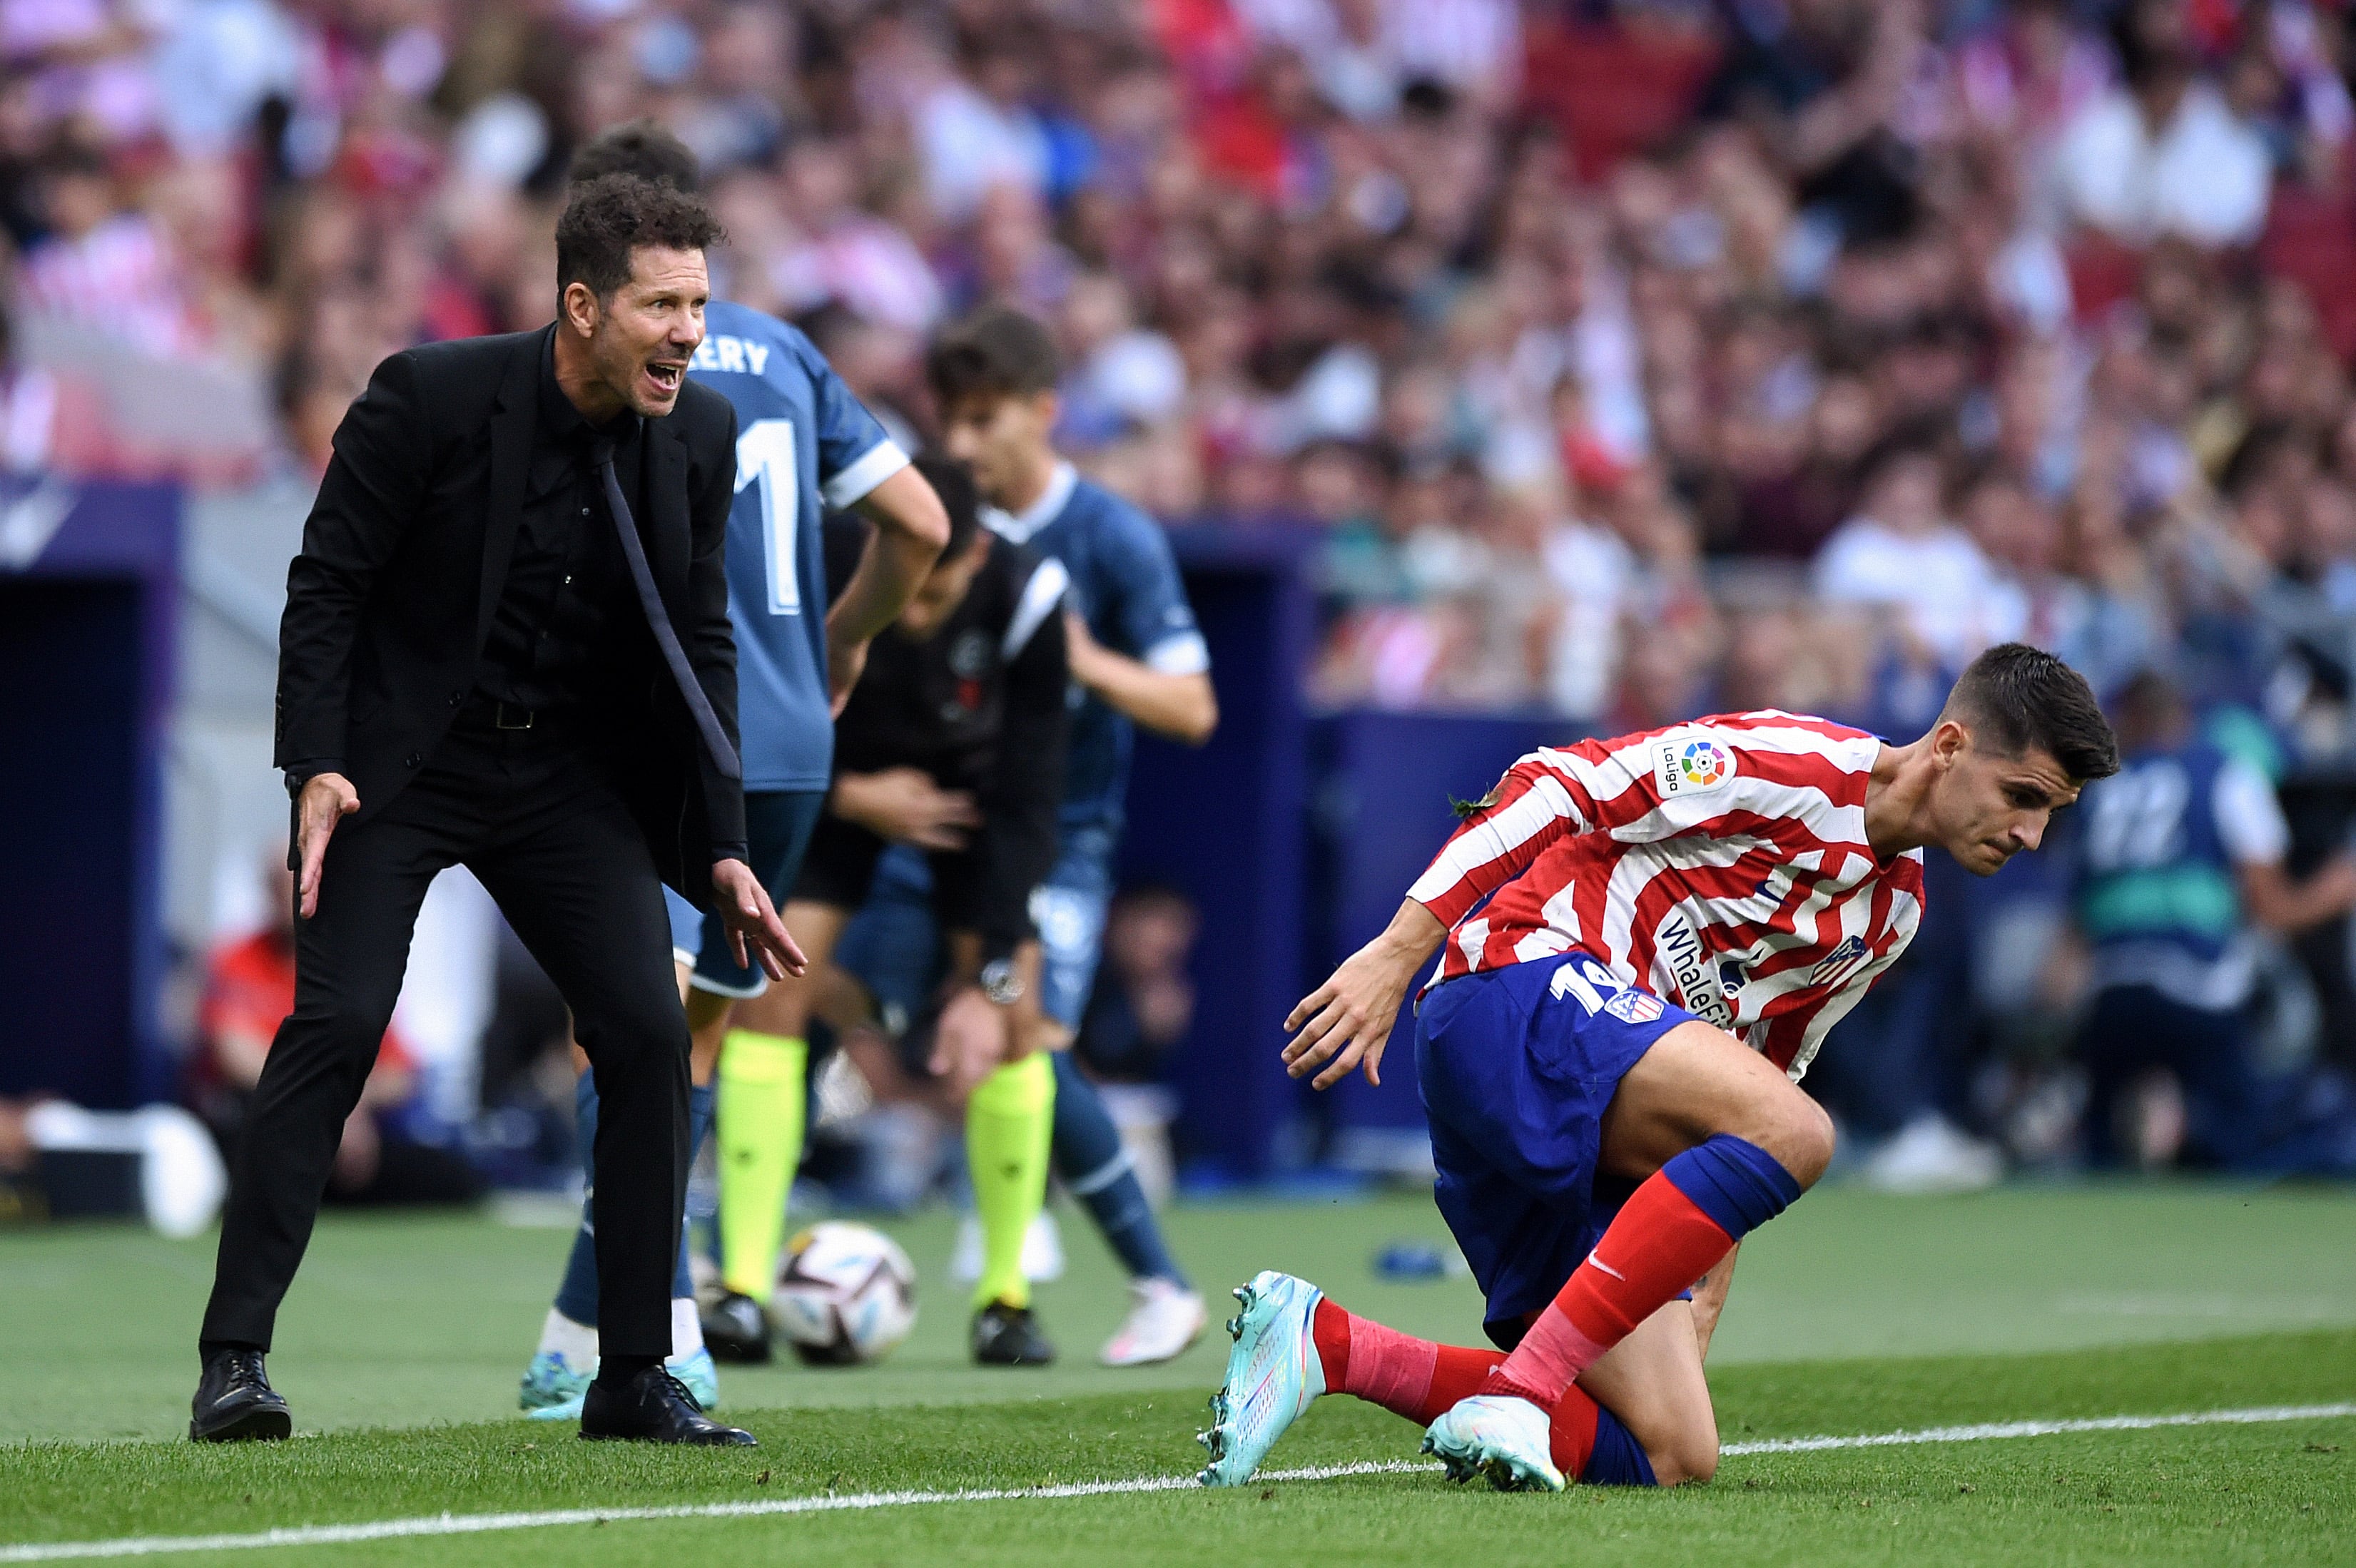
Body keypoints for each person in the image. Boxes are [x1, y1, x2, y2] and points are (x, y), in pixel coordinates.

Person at [1199, 643, 2118, 1491]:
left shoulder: (1888, 919)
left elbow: (1759, 1076)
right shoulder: (1787, 764)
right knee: (1800, 1133)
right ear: (1950, 744)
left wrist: (1696, 1292)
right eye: (2023, 796)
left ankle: (1326, 1345)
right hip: (1515, 980)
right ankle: (1523, 1386)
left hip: (1594, 1098)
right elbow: (1555, 781)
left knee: (1671, 1447)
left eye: (2050, 814)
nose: (2030, 835)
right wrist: (1397, 951)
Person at [191, 172, 801, 1447]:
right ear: (581, 305)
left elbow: (701, 644)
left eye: (699, 300)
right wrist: (316, 764)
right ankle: (234, 1361)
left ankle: (632, 1372)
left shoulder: (700, 433)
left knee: (644, 1029)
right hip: (399, 767)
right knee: (341, 1020)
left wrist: (725, 844)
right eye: (661, 304)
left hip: (567, 779)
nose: (691, 330)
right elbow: (327, 588)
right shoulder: (429, 395)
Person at [514, 123, 948, 1417]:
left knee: (630, 1047)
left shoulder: (610, 356)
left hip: (663, 740)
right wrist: (846, 640)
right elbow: (918, 522)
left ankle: (668, 1325)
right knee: (683, 1048)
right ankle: (571, 1333)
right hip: (791, 743)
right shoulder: (786, 352)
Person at [838, 305, 1218, 1366]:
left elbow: (1193, 709)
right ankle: (722, 1261)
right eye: (946, 421)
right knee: (812, 997)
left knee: (1023, 1036)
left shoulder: (1109, 537)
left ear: (1042, 412)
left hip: (1057, 838)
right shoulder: (926, 523)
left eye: (981, 419)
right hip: (923, 833)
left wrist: (1080, 657)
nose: (959, 445)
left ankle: (1154, 1282)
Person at [750, 454, 1072, 1365]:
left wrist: (992, 974)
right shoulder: (810, 567)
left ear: (971, 557)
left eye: (934, 598)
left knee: (1015, 1012)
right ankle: (738, 1286)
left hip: (975, 805)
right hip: (832, 785)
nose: (913, 618)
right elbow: (750, 725)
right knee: (768, 992)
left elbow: (1029, 799)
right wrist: (852, 794)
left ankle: (1005, 1298)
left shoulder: (1032, 596)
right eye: (902, 593)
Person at [2072, 669, 2356, 1169]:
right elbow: (2273, 910)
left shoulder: (2102, 789)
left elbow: (2075, 922)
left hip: (2111, 993)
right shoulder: (2225, 774)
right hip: (2197, 989)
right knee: (2240, 1147)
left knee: (2102, 1153)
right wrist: (2337, 888)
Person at [193, 849, 480, 1210]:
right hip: (265, 1125)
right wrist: (329, 1102)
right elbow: (237, 1058)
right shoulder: (236, 958)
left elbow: (399, 1072)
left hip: (350, 1131)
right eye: (284, 885)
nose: (294, 895)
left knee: (452, 1175)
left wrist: (350, 1104)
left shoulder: (352, 967)